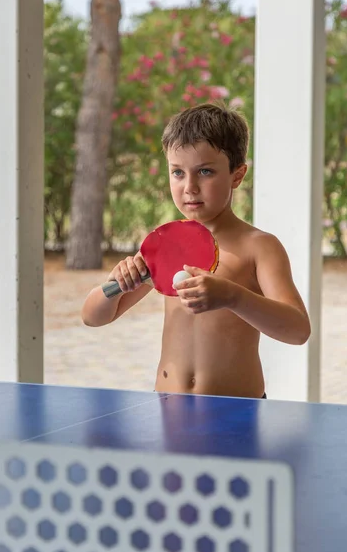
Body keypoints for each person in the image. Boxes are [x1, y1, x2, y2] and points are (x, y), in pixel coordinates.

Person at [81, 102, 311, 399]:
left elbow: (297, 330)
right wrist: (116, 284)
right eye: (177, 173)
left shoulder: (259, 246)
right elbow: (92, 317)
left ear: (237, 175)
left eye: (205, 171)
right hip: (168, 408)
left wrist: (232, 296)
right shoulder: (165, 244)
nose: (189, 187)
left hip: (235, 413)